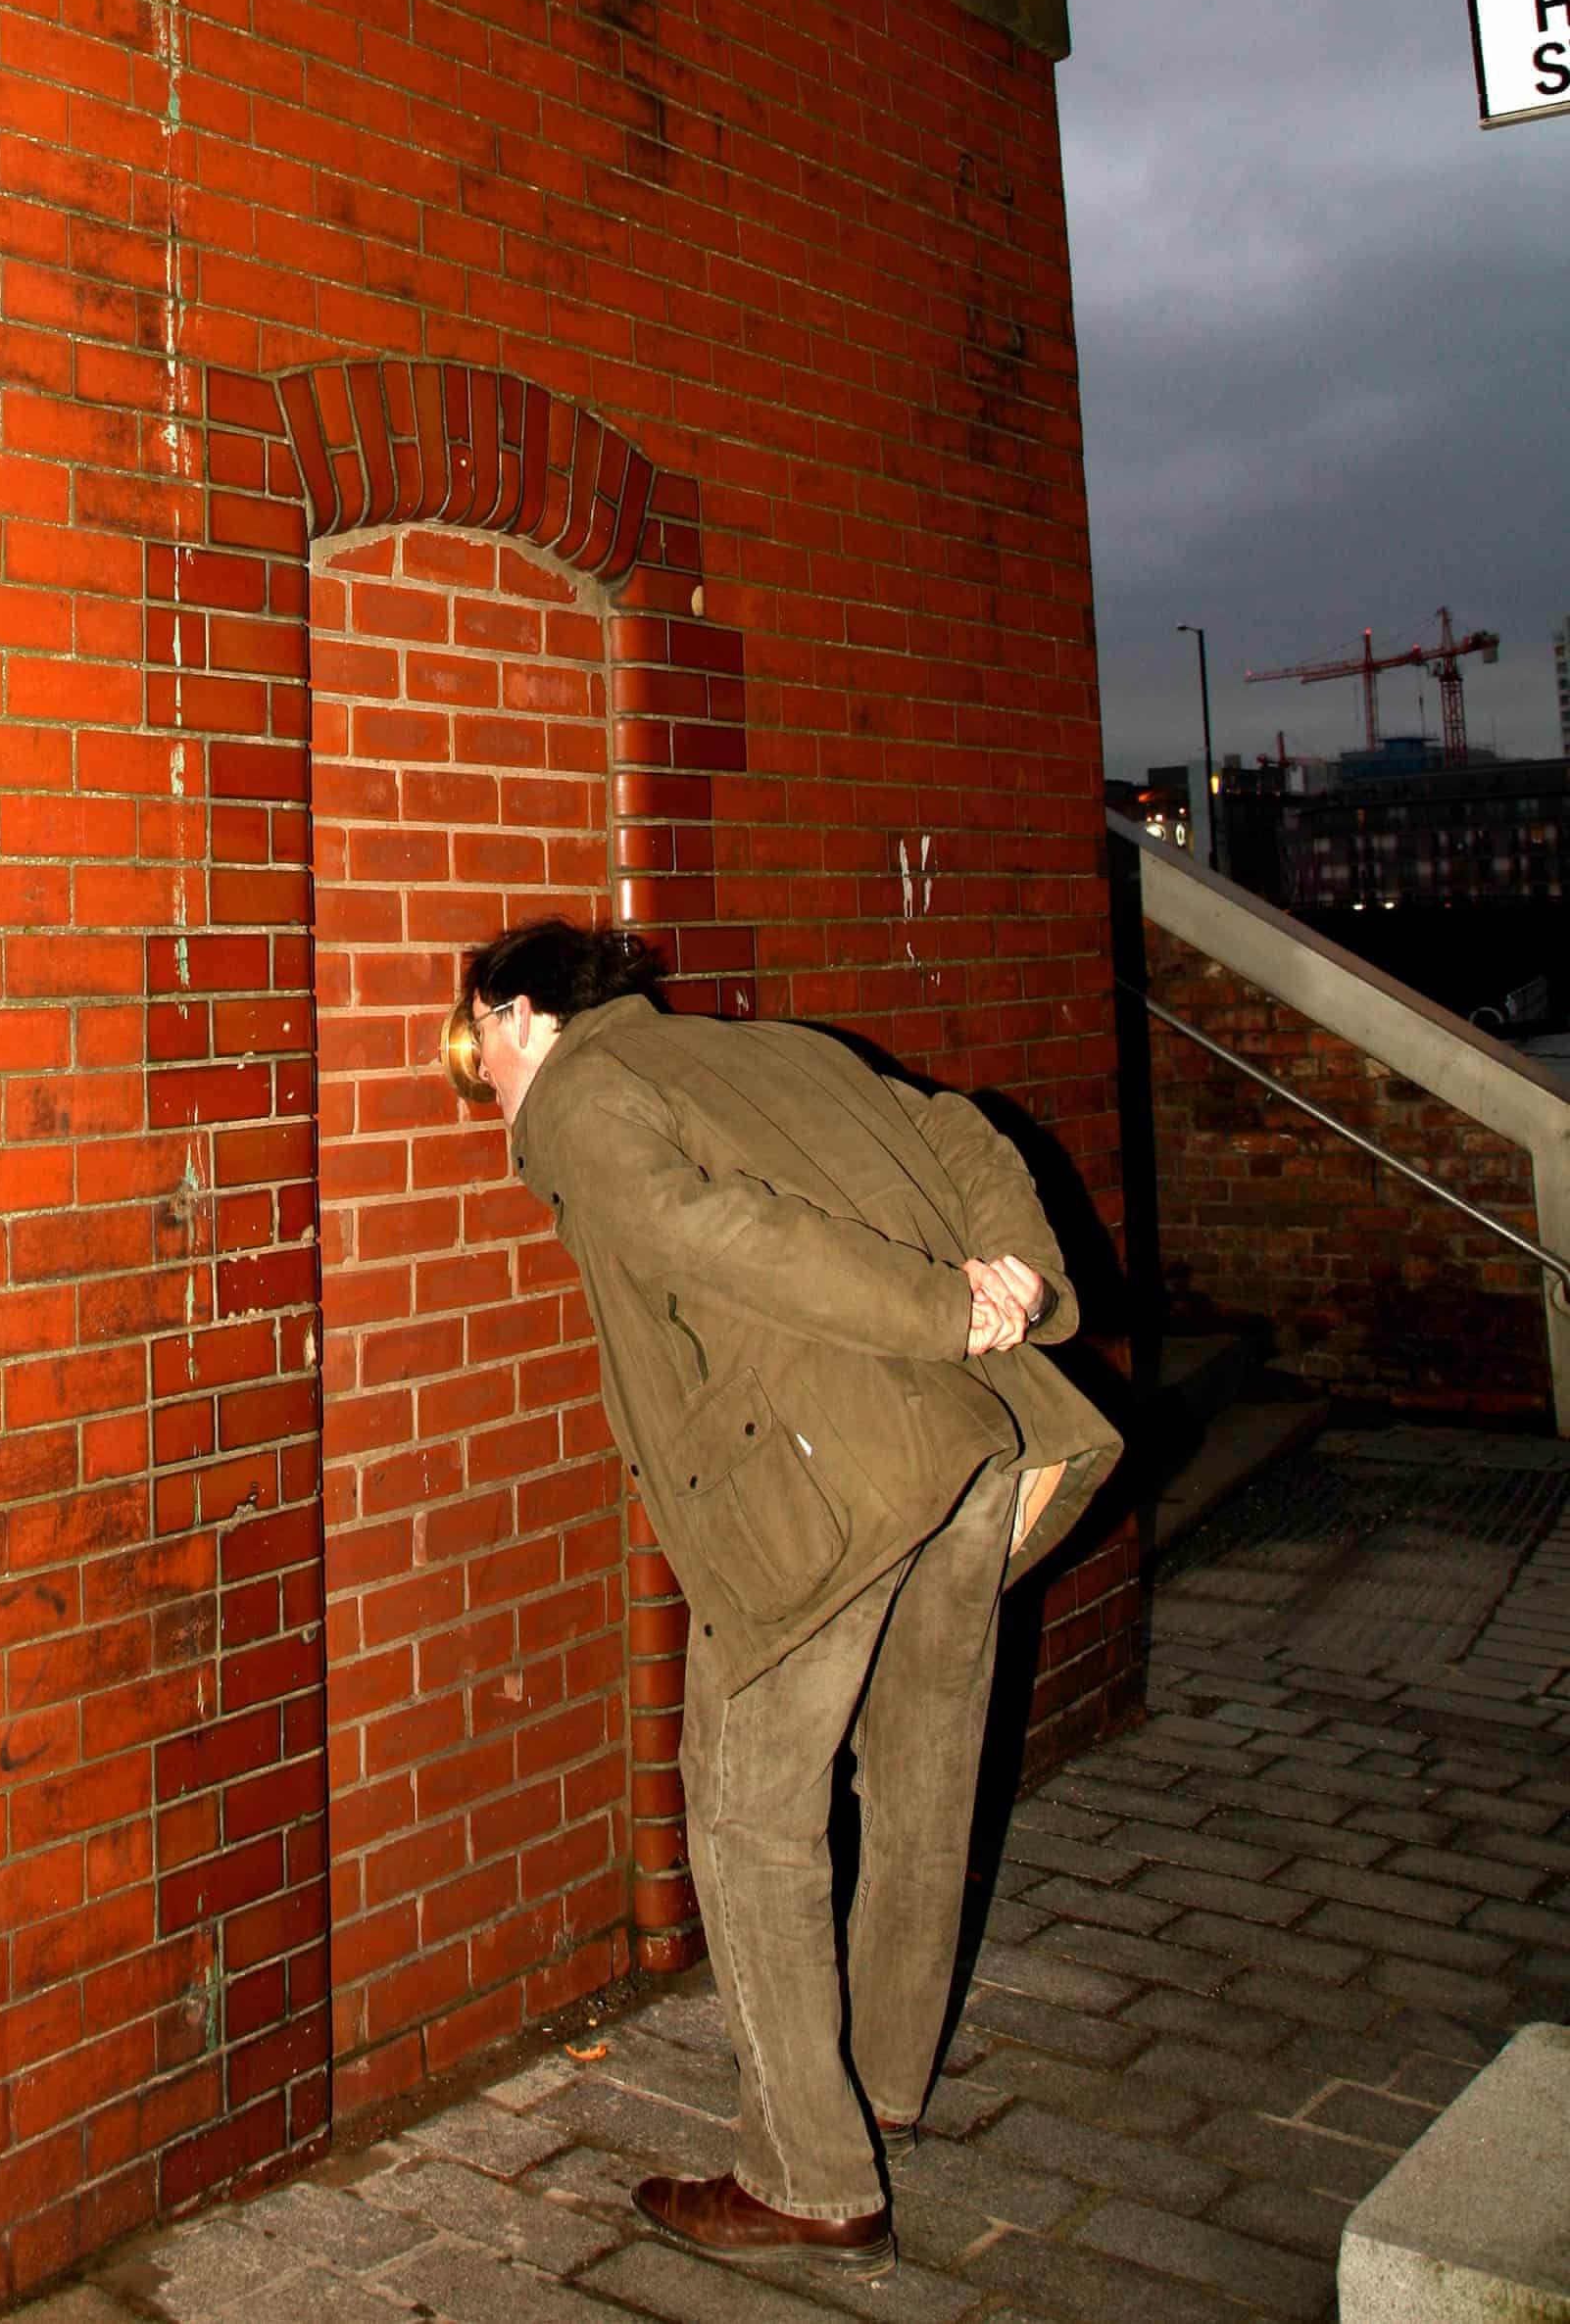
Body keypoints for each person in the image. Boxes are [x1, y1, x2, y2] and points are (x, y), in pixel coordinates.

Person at [448, 920, 1120, 2281]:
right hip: (973, 1450)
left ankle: (808, 2175)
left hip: (831, 1483)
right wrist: (1012, 1276)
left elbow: (712, 1234)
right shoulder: (775, 1050)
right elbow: (968, 1129)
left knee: (750, 1816)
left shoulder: (579, 1095)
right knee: (924, 1779)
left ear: (521, 1013)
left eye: (480, 1050)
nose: (485, 1084)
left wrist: (948, 1307)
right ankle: (876, 2088)